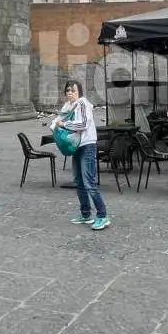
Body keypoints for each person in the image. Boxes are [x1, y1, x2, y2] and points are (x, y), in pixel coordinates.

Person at [50, 79, 110, 230]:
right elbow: (58, 119)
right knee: (79, 182)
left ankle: (102, 216)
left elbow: (83, 124)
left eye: (73, 91)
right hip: (76, 147)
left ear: (79, 92)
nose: (70, 93)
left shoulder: (83, 104)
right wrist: (55, 125)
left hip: (87, 146)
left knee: (89, 182)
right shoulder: (67, 106)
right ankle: (85, 214)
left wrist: (63, 125)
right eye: (68, 91)